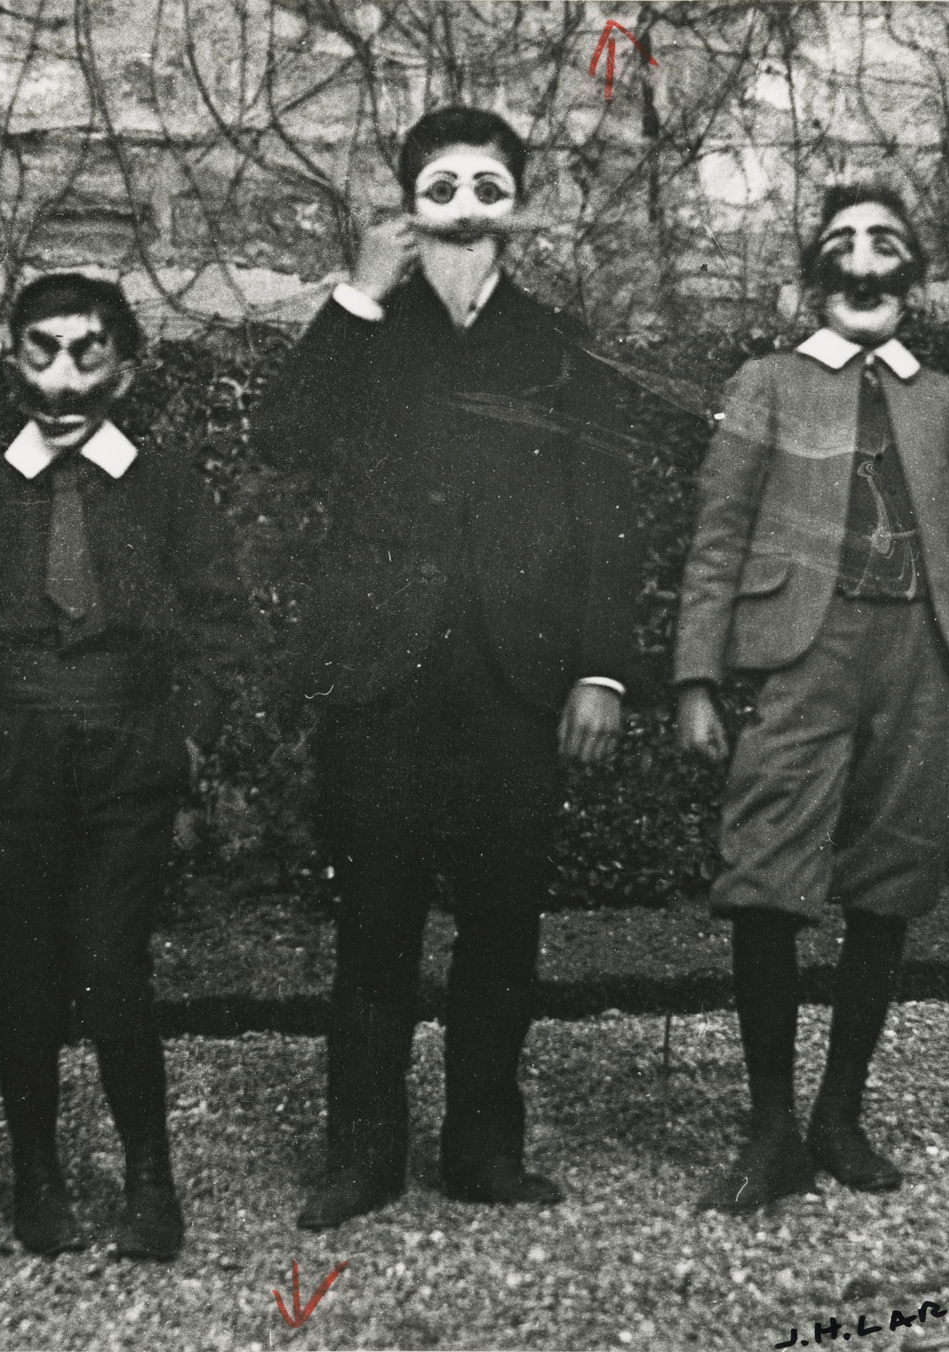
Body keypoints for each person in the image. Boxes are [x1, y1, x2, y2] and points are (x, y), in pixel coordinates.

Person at [252, 105, 643, 1230]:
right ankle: (361, 1157)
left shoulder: (562, 345)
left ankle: (484, 1150)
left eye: (486, 184)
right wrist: (356, 292)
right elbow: (281, 439)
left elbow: (609, 522)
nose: (464, 206)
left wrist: (602, 672)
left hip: (516, 681)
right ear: (409, 200)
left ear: (513, 205)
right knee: (375, 921)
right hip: (384, 674)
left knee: (503, 926)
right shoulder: (368, 327)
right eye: (440, 184)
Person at [0, 274, 252, 1261]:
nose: (63, 375)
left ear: (123, 368)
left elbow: (221, 621)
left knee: (112, 963)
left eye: (87, 351)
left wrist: (189, 738)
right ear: (12, 364)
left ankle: (148, 1177)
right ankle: (38, 1177)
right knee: (28, 978)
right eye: (41, 350)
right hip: (16, 760)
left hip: (129, 754)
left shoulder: (165, 485)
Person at [674, 184, 949, 1210]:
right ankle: (771, 1128)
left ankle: (838, 1111)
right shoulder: (764, 382)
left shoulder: (944, 400)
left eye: (885, 243)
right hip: (800, 652)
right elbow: (717, 537)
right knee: (767, 871)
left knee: (889, 880)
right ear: (816, 276)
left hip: (919, 656)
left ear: (912, 272)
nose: (864, 261)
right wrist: (696, 677)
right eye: (843, 245)